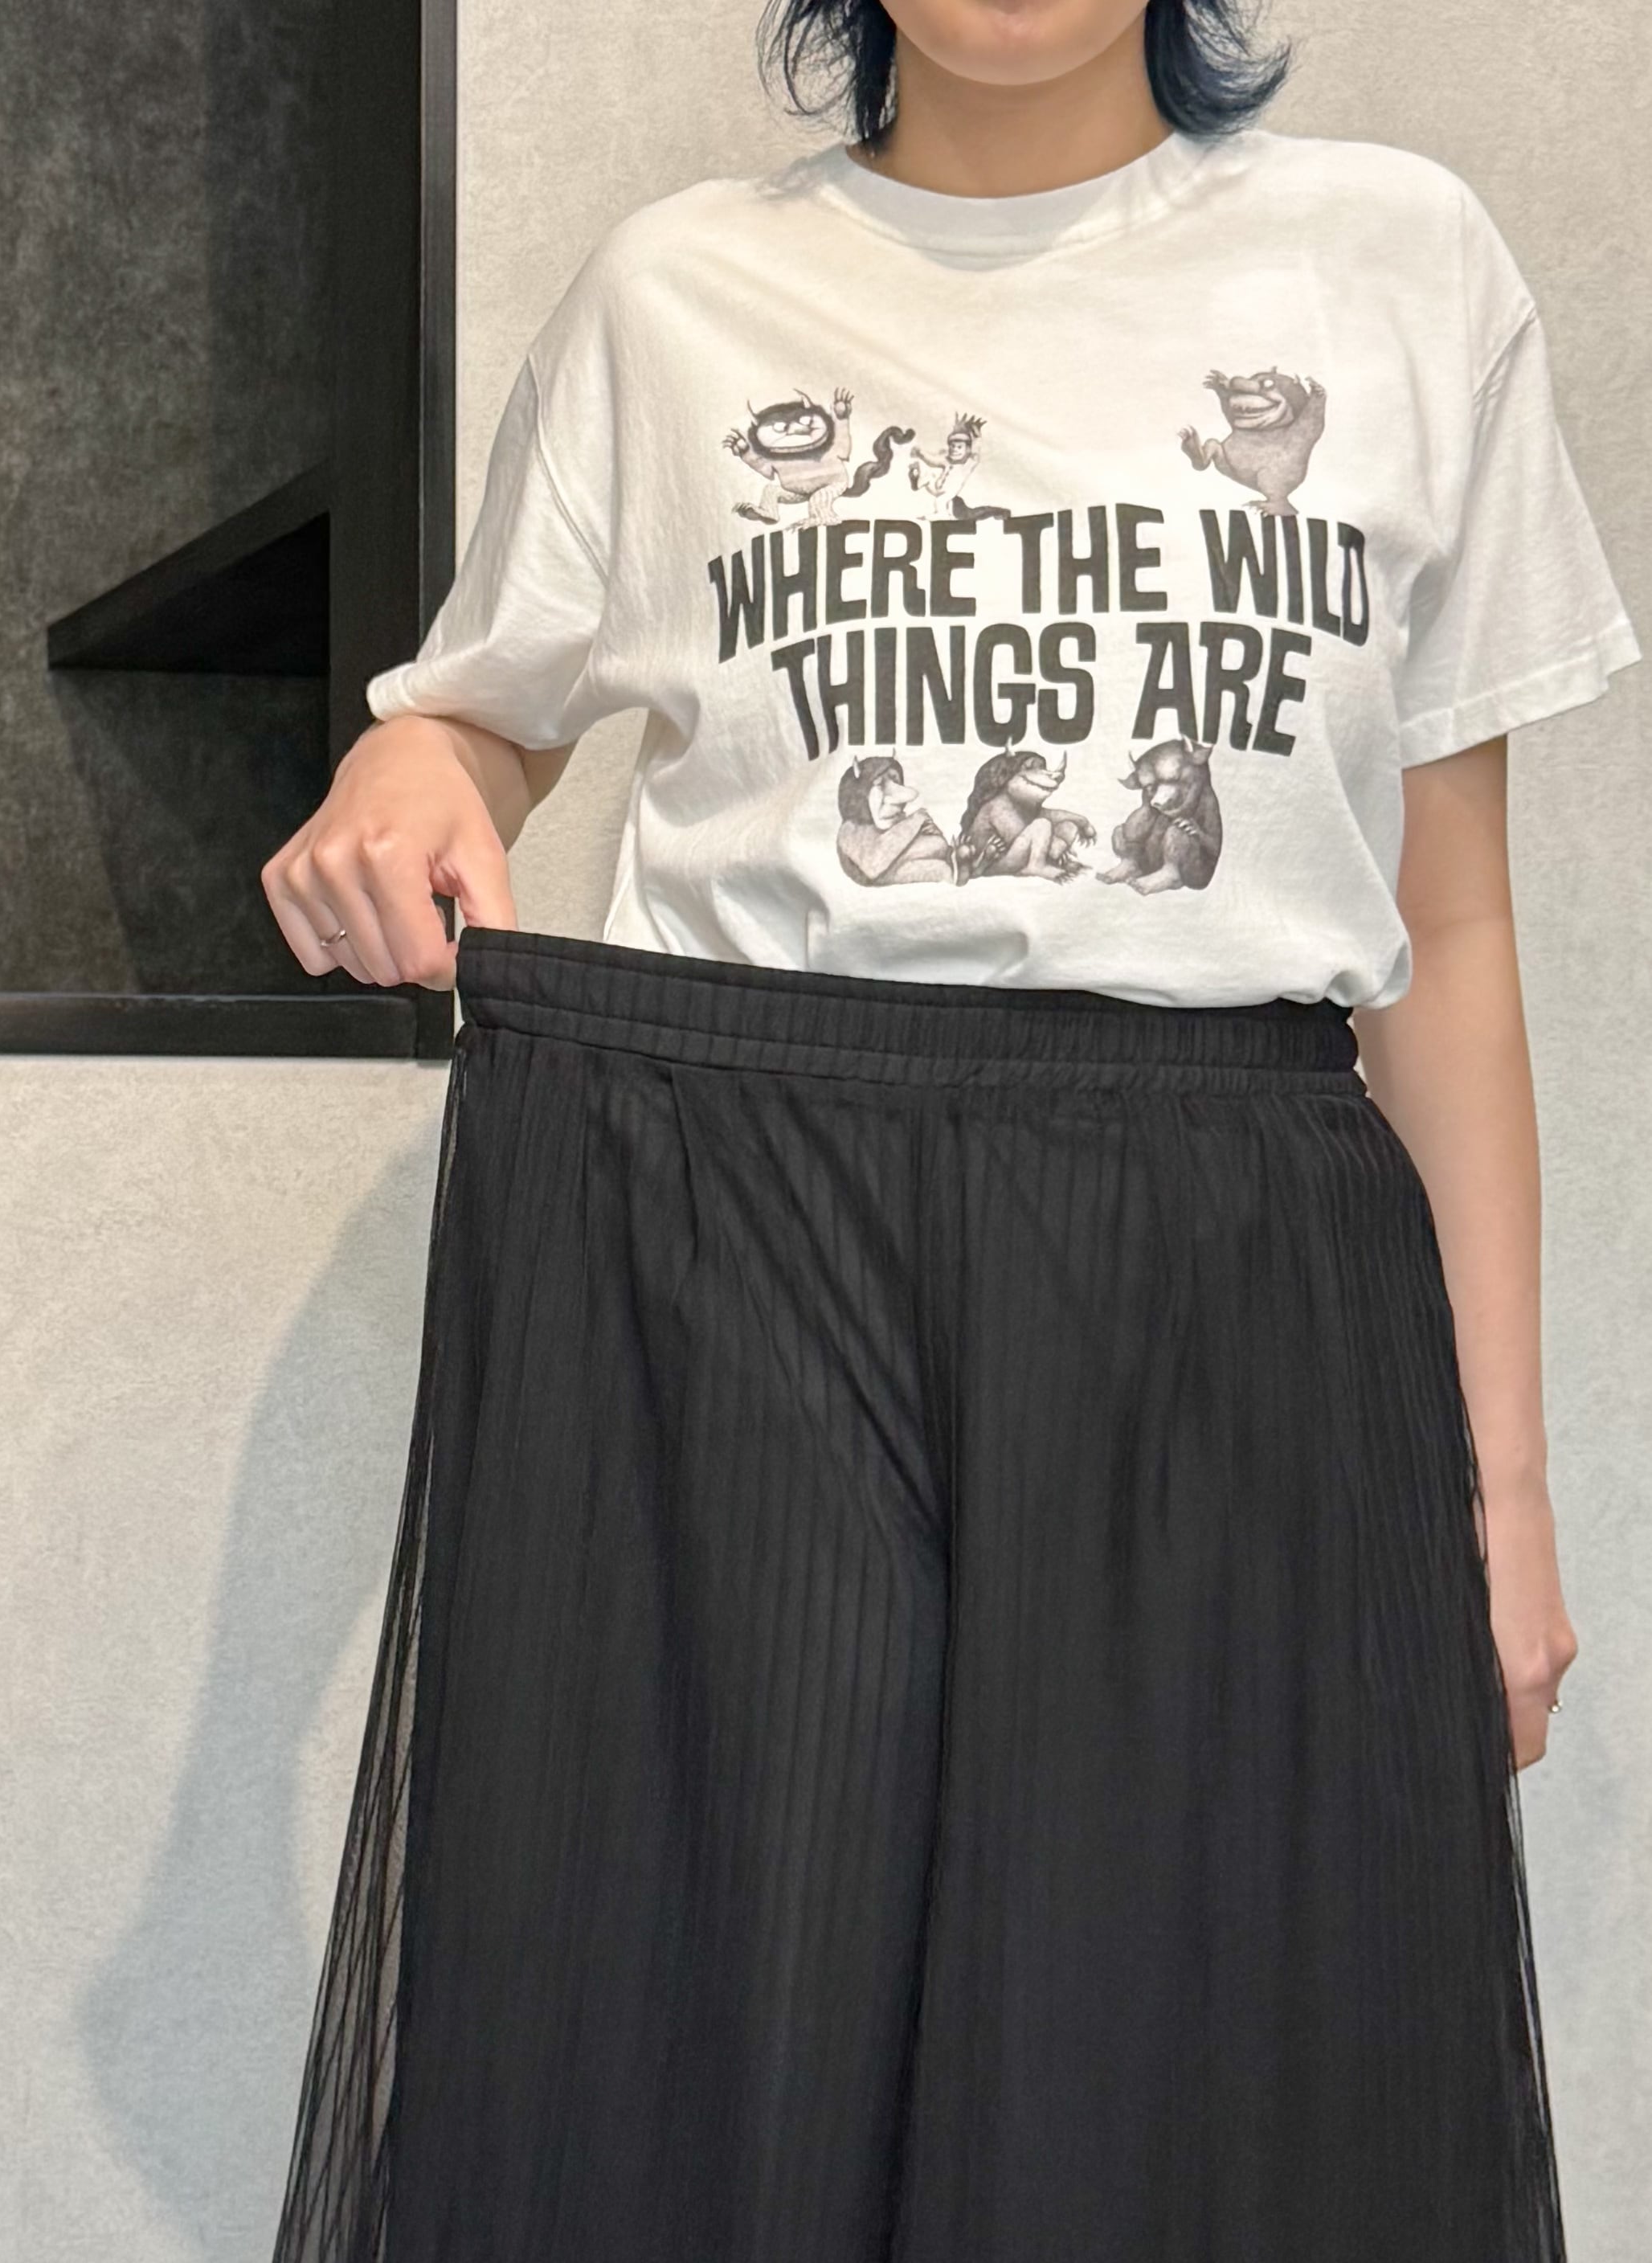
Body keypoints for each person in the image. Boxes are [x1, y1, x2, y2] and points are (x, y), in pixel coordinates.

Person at [260, 3, 1639, 2257]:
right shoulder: (676, 293)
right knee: (721, 2067)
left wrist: (1504, 1496)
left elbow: (1450, 932)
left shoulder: (1397, 263)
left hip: (1229, 1265)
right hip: (752, 1253)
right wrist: (417, 760)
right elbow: (485, 718)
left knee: (1179, 2086)